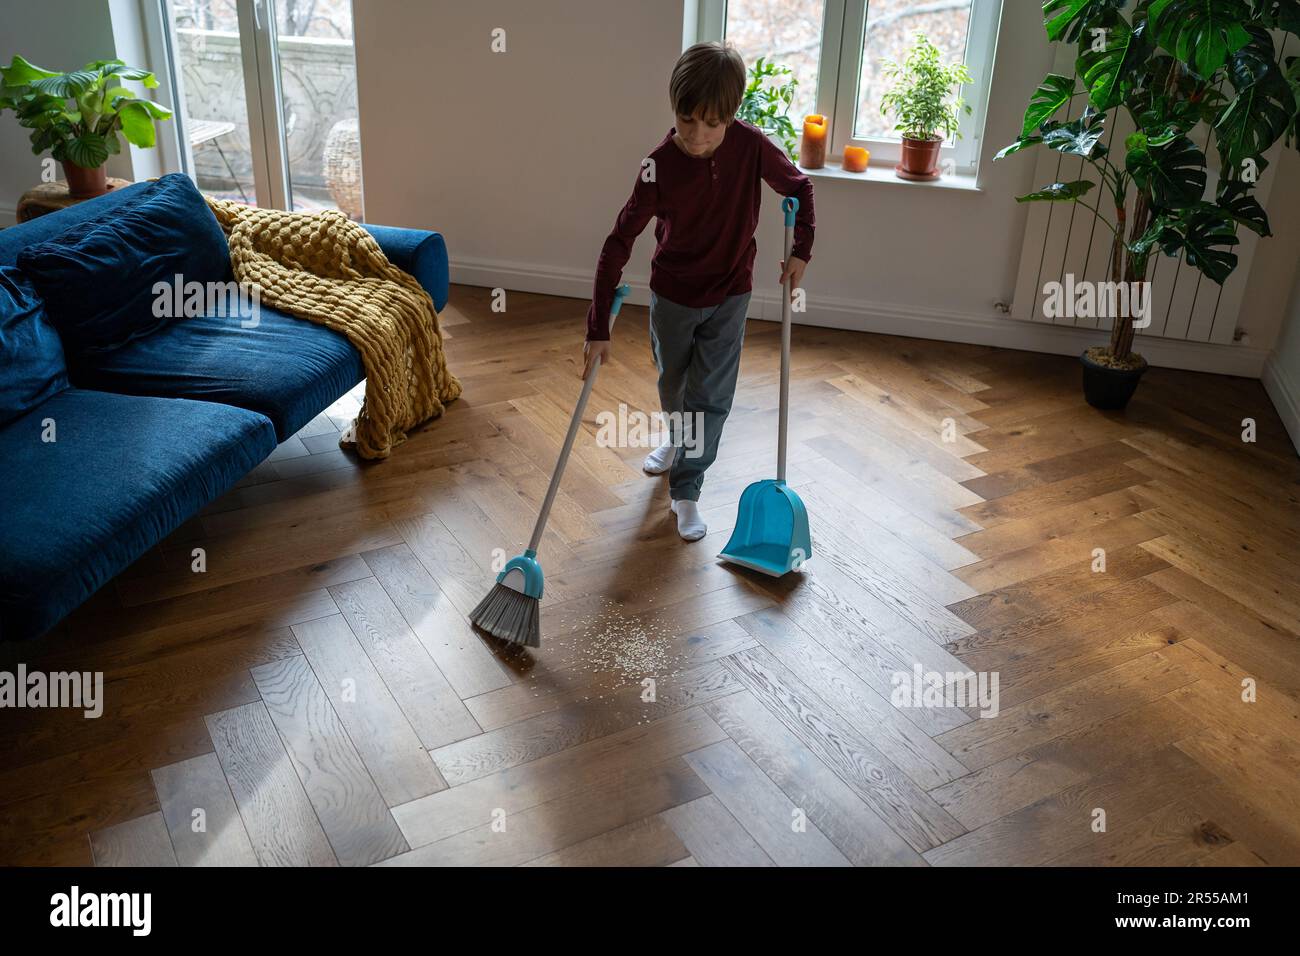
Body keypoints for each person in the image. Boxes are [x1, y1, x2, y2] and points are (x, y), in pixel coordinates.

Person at [582, 41, 815, 542]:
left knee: (710, 396)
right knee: (674, 385)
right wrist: (598, 327)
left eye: (712, 123)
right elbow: (618, 241)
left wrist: (802, 250)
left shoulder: (751, 145)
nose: (698, 135)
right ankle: (676, 438)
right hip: (673, 295)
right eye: (687, 120)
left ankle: (687, 489)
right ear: (675, 109)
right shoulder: (658, 165)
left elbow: (801, 188)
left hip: (731, 291)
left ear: (731, 116)